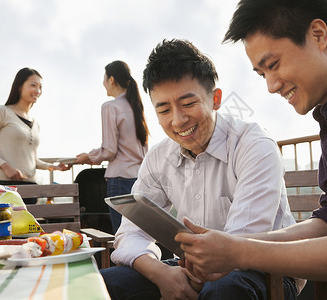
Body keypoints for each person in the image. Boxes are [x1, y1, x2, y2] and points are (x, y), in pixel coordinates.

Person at [175, 0, 327, 296]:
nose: (271, 85)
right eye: (261, 74)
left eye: (273, 65)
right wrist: (232, 246)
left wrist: (238, 253)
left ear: (318, 34)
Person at [100, 39, 300, 300]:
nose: (178, 120)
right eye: (163, 109)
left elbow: (244, 241)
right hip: (189, 267)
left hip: (263, 270)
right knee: (103, 284)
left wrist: (188, 278)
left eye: (188, 103)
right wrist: (161, 274)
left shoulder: (253, 145)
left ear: (215, 99)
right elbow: (130, 232)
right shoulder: (159, 157)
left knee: (224, 289)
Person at [74, 60, 149, 234]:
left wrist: (88, 157)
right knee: (138, 236)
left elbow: (109, 150)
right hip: (138, 179)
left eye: (104, 78)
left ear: (112, 79)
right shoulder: (136, 106)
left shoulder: (110, 107)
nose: (103, 83)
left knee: (122, 236)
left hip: (120, 180)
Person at [0, 68, 70, 204]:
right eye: (33, 85)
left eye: (40, 87)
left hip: (31, 186)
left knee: (28, 226)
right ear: (19, 86)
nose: (38, 91)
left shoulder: (35, 123)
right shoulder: (2, 112)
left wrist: (52, 167)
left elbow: (32, 159)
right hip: (6, 184)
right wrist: (5, 166)